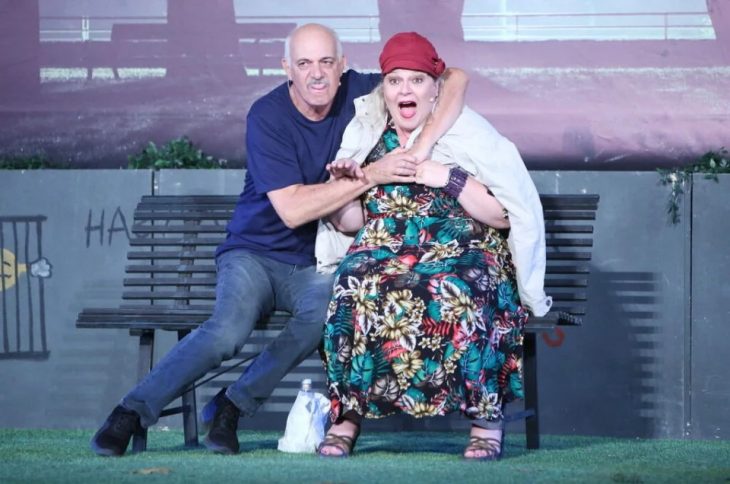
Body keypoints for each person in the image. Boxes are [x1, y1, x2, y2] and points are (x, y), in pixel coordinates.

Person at [89, 23, 469, 457]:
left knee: (327, 315)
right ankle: (131, 411)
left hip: (314, 262)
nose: (317, 74)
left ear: (342, 66)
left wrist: (423, 147)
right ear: (287, 68)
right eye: (304, 63)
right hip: (253, 254)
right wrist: (373, 175)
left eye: (326, 62)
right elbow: (293, 210)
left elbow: (455, 77)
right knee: (227, 332)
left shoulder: (360, 91)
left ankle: (232, 406)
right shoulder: (267, 116)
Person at [317, 32, 551, 461]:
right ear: (384, 91)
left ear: (434, 89)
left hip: (462, 245)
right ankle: (346, 419)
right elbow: (352, 224)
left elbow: (504, 214)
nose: (405, 89)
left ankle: (486, 423)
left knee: (460, 287)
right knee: (352, 284)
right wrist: (346, 188)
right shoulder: (368, 134)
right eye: (395, 81)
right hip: (386, 246)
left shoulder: (465, 132)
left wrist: (449, 177)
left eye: (417, 80)